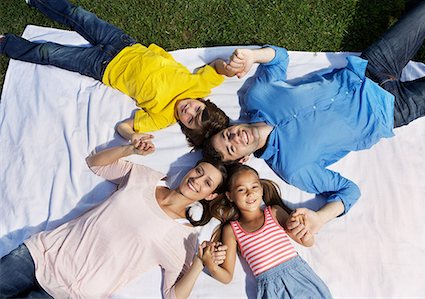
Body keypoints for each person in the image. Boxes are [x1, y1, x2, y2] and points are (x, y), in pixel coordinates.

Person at [203, 0, 425, 236]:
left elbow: (279, 57)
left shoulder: (257, 97)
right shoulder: (293, 168)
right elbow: (348, 191)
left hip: (371, 66)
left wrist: (253, 56)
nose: (234, 137)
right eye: (232, 148)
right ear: (243, 158)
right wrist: (320, 218)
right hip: (394, 109)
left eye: (227, 135)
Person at [0, 142, 229, 299]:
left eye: (207, 183)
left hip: (71, 293)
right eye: (198, 171)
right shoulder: (148, 178)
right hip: (42, 254)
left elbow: (173, 295)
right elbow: (96, 163)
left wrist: (199, 263)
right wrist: (129, 149)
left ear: (210, 196)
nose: (197, 180)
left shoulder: (182, 237)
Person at [0, 0, 235, 149]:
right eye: (197, 109)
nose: (189, 111)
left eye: (191, 120)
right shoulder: (199, 86)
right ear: (203, 101)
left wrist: (132, 137)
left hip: (103, 66)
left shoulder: (163, 118)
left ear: (186, 128)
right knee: (78, 15)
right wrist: (228, 68)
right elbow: (217, 67)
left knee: (49, 53)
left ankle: (6, 43)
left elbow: (125, 125)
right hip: (123, 44)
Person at [198, 164, 332, 298]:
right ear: (230, 196)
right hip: (271, 288)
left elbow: (308, 242)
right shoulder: (231, 230)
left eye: (254, 187)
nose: (249, 193)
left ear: (261, 189)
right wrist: (211, 265)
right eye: (241, 190)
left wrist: (303, 231)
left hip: (298, 276)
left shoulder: (274, 212)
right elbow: (227, 276)